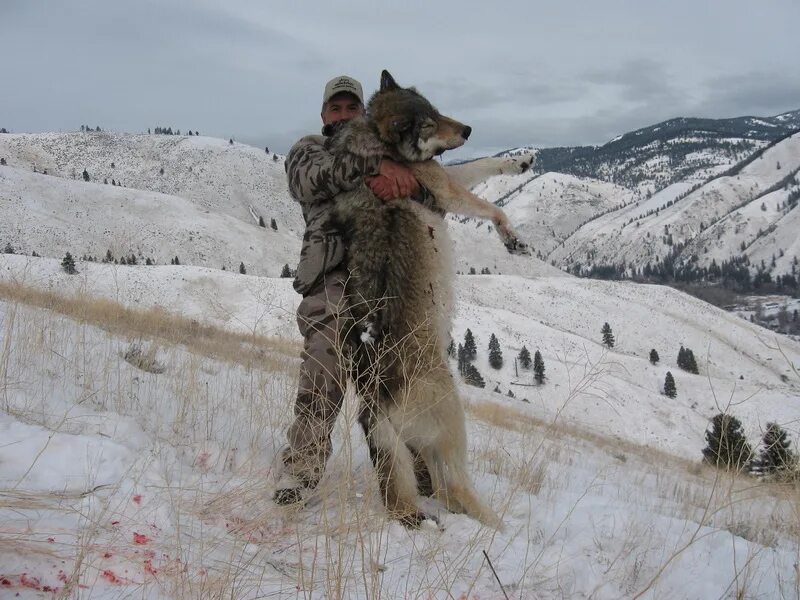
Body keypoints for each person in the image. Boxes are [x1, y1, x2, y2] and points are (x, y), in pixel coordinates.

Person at [274, 75, 425, 505]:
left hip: (386, 278)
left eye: (350, 108)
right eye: (334, 108)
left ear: (364, 112)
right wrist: (374, 166)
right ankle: (302, 467)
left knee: (405, 371)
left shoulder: (387, 153)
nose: (342, 115)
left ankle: (418, 474)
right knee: (326, 349)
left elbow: (421, 192)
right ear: (324, 115)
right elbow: (311, 180)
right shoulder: (309, 150)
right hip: (333, 275)